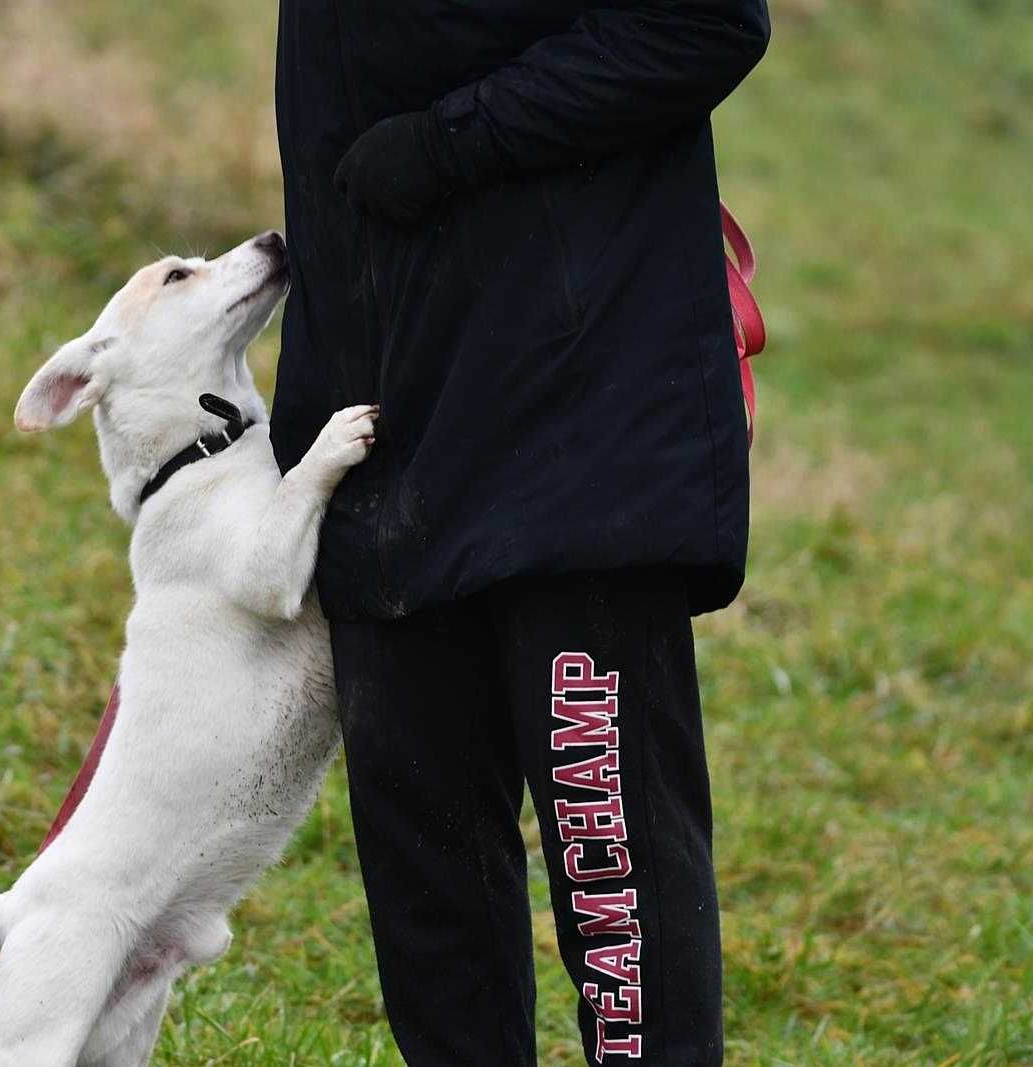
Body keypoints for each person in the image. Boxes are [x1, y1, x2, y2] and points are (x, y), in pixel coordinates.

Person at [269, 2, 771, 1064]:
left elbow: (700, 24)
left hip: (577, 419)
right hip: (378, 424)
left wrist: (453, 141)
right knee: (427, 878)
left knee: (613, 870)